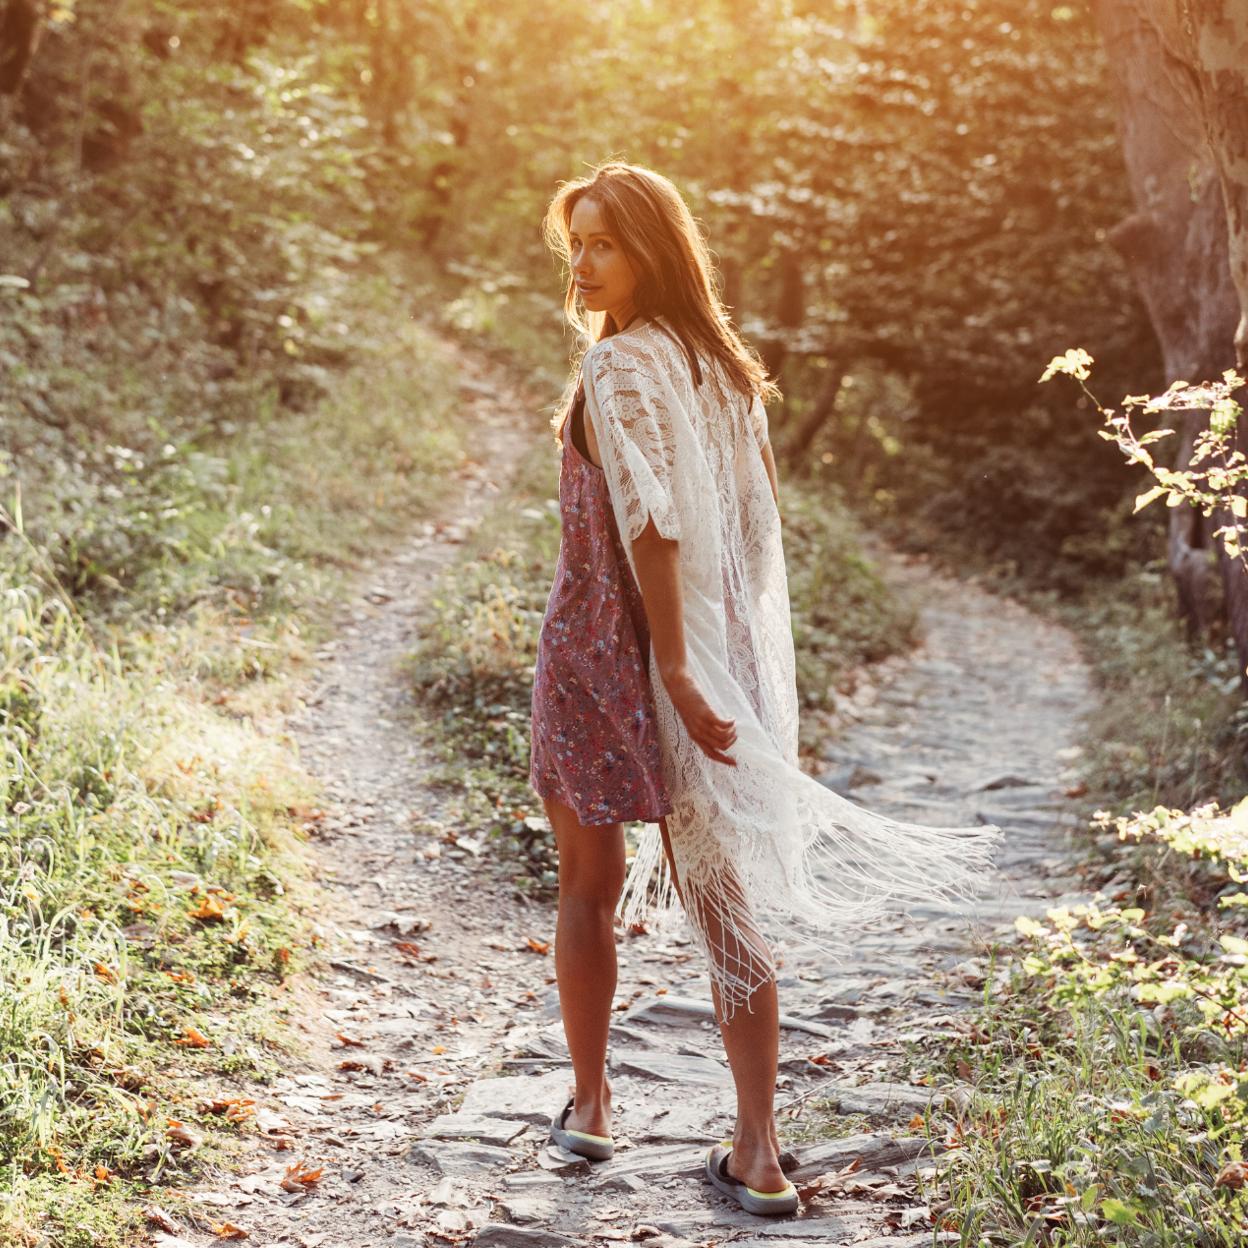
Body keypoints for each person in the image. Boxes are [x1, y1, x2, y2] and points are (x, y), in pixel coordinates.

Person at [528, 160, 1004, 1217]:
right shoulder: (723, 370)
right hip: (700, 649)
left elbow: (658, 522)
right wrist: (713, 659)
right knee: (719, 902)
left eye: (606, 241)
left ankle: (597, 1104)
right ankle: (757, 1149)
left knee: (589, 886)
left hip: (613, 652)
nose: (586, 262)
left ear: (657, 249)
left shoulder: (618, 372)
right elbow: (748, 537)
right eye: (578, 243)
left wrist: (677, 666)